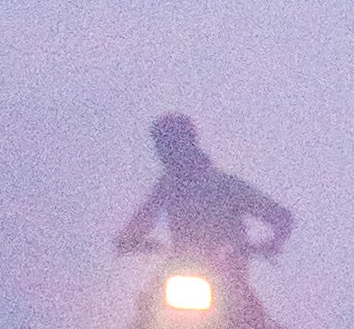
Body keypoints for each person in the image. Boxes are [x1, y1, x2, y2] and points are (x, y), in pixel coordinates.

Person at [115, 110, 294, 291]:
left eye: (173, 144)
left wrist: (270, 244)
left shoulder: (227, 186)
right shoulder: (167, 187)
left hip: (228, 280)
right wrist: (130, 240)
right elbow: (144, 217)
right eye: (162, 146)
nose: (165, 153)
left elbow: (281, 217)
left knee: (250, 314)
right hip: (181, 274)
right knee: (147, 306)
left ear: (189, 144)